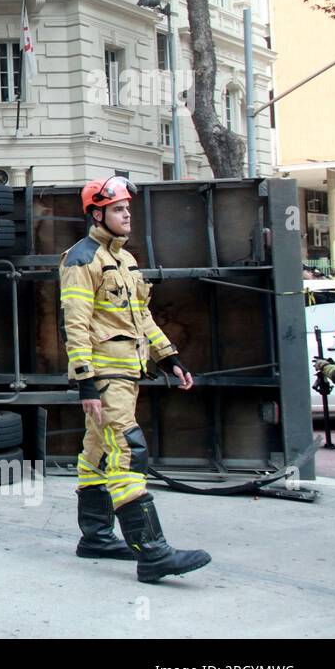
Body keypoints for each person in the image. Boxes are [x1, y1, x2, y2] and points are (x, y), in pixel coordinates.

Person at [59, 175, 210, 583]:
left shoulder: (125, 261)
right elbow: (75, 324)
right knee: (127, 450)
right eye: (119, 209)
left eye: (128, 208)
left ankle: (97, 537)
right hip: (106, 375)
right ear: (97, 213)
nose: (127, 215)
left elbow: (140, 317)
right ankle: (153, 552)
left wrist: (169, 357)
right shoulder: (81, 259)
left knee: (95, 454)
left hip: (128, 370)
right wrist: (85, 381)